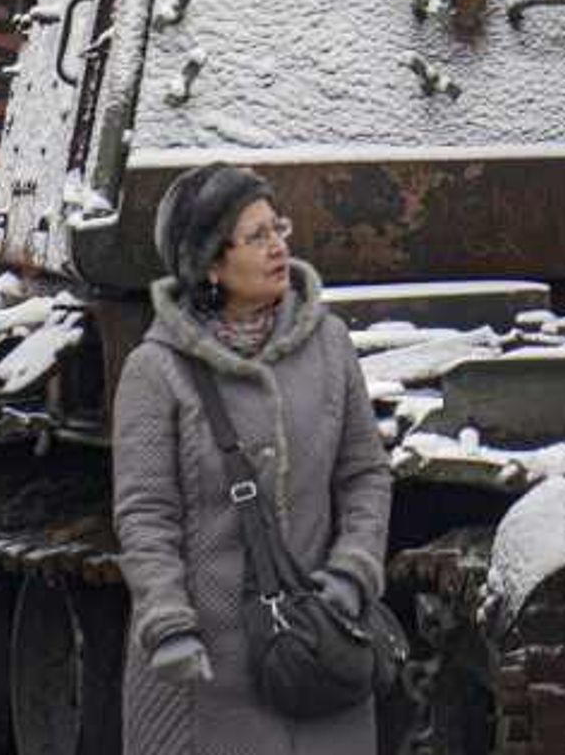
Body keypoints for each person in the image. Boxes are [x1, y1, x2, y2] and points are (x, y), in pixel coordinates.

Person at [109, 163, 394, 755]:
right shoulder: (156, 370)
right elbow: (145, 515)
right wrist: (167, 621)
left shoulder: (330, 345)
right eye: (257, 235)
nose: (278, 246)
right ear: (211, 264)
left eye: (278, 227)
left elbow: (365, 474)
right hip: (202, 673)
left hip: (317, 658)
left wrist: (352, 571)